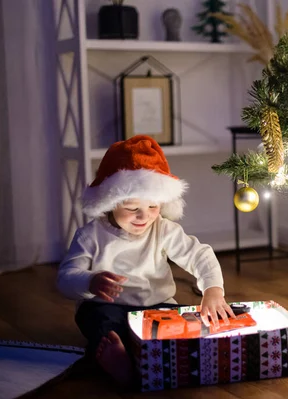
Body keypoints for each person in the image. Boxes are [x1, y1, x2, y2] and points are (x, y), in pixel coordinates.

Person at [56, 135, 235, 388]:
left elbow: (199, 255)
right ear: (110, 202)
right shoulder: (91, 235)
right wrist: (90, 281)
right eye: (131, 208)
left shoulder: (163, 229)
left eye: (153, 207)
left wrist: (213, 290)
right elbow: (65, 277)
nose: (144, 216)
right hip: (107, 306)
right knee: (103, 325)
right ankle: (117, 359)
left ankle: (157, 355)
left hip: (157, 307)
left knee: (184, 321)